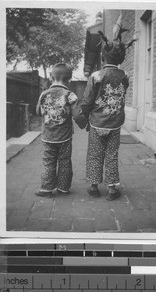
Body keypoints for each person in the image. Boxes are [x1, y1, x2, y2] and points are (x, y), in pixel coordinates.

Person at [81, 13, 136, 201]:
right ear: (121, 58)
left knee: (95, 154)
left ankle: (94, 186)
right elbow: (123, 90)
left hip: (97, 123)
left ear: (103, 57)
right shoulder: (125, 75)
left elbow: (87, 100)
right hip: (115, 123)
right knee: (112, 154)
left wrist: (84, 117)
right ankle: (112, 188)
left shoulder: (96, 76)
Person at [35, 63, 87, 197]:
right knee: (64, 161)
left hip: (47, 137)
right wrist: (84, 125)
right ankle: (63, 188)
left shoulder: (43, 94)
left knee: (48, 162)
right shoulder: (70, 95)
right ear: (69, 79)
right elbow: (77, 115)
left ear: (51, 77)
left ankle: (46, 189)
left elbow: (38, 112)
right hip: (65, 137)